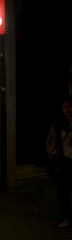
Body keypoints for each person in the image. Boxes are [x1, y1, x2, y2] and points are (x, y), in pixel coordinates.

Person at [46, 97, 72, 228]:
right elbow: (50, 140)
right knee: (63, 191)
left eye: (69, 106)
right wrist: (52, 152)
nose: (67, 110)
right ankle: (66, 217)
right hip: (64, 161)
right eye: (64, 107)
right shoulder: (58, 123)